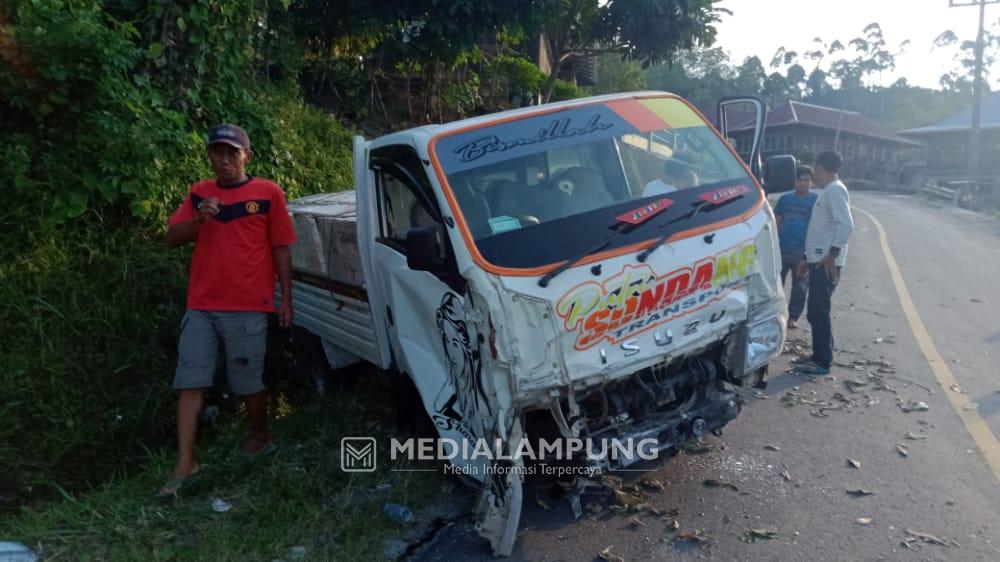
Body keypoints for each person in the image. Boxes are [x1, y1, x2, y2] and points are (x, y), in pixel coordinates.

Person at [159, 124, 297, 497]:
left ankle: (260, 433)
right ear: (210, 157)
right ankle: (185, 463)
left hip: (248, 306)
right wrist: (199, 219)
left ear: (246, 156)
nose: (224, 160)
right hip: (202, 306)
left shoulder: (268, 193)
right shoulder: (199, 194)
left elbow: (281, 247)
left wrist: (286, 298)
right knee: (189, 382)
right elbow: (172, 238)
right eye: (217, 153)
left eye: (231, 153)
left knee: (247, 384)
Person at [793, 151, 853, 375]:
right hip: (818, 260)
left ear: (820, 168)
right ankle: (822, 353)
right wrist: (807, 259)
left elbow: (846, 225)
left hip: (827, 263)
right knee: (818, 309)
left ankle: (822, 360)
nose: (814, 173)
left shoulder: (835, 190)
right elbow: (822, 231)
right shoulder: (830, 191)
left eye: (815, 169)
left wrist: (831, 255)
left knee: (817, 310)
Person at [773, 165, 818, 329]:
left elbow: (818, 226)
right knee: (777, 284)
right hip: (783, 249)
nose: (802, 184)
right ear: (794, 181)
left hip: (803, 252)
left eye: (806, 180)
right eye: (799, 180)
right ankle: (776, 314)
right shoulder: (784, 200)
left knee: (799, 287)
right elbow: (777, 222)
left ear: (811, 182)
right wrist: (774, 243)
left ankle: (793, 316)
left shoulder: (815, 201)